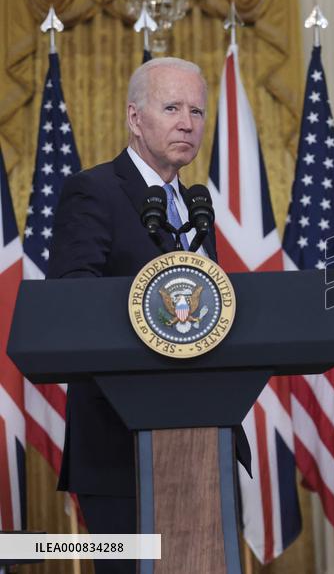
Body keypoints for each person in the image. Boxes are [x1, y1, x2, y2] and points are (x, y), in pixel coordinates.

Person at [47, 57, 241, 571]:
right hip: (120, 452)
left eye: (197, 110)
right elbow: (74, 300)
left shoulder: (195, 205)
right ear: (135, 118)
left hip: (204, 447)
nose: (187, 122)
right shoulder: (95, 191)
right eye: (172, 107)